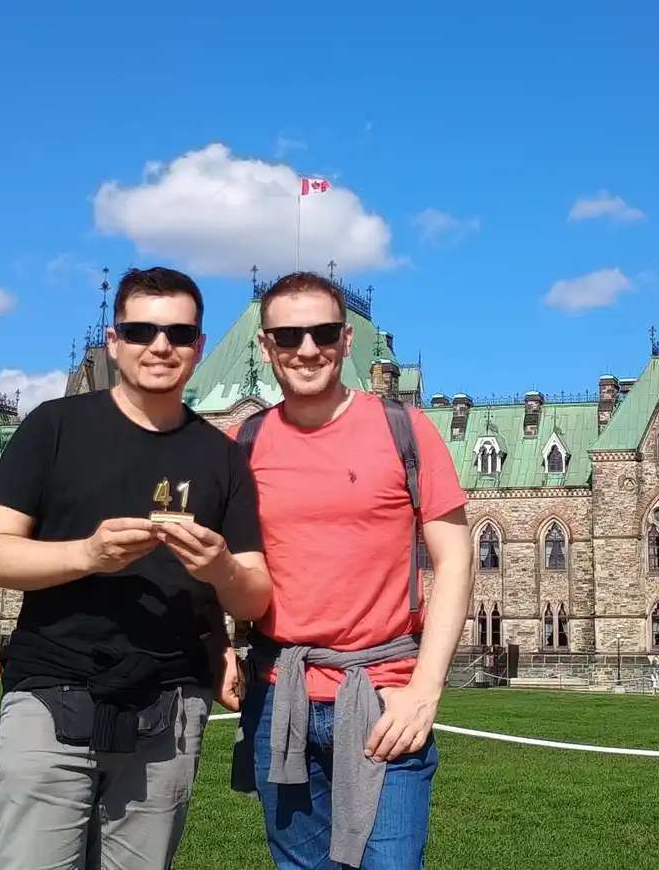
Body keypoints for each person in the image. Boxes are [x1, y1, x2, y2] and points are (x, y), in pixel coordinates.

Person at [0, 265, 271, 870]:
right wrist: (88, 553)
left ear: (199, 347)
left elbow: (254, 598)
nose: (160, 346)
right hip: (50, 691)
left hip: (170, 705)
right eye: (141, 330)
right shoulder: (53, 427)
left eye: (179, 335)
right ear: (114, 341)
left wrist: (219, 569)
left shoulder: (224, 456)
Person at [232, 271, 474, 870]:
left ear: (346, 340)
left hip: (383, 697)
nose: (306, 349)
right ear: (266, 347)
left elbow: (456, 555)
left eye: (321, 333)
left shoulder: (405, 430)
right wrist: (214, 643)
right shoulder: (245, 442)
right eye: (288, 336)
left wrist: (426, 689)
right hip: (278, 697)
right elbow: (220, 555)